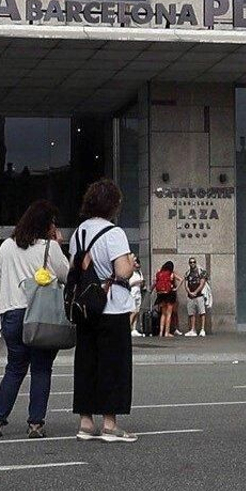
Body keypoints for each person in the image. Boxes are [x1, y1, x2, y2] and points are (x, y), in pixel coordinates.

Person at [0, 198, 69, 438]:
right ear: (46, 224)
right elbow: (66, 276)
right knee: (42, 369)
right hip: (40, 315)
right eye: (53, 223)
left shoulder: (6, 246)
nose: (55, 228)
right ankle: (35, 423)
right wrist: (59, 247)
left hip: (12, 314)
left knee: (14, 368)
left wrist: (1, 316)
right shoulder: (49, 247)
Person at [69, 178, 137, 443]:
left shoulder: (79, 232)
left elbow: (76, 266)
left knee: (86, 362)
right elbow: (121, 271)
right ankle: (110, 424)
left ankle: (86, 422)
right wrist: (130, 264)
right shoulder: (114, 233)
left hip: (86, 306)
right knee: (114, 364)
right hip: (112, 306)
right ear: (113, 205)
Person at [183, 257, 210, 336]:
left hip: (199, 296)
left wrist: (195, 292)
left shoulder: (201, 271)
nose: (192, 264)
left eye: (194, 262)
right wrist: (189, 292)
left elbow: (202, 283)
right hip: (190, 296)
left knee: (202, 312)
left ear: (196, 262)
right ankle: (193, 329)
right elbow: (186, 283)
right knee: (191, 313)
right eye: (190, 262)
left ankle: (202, 329)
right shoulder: (187, 272)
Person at [153, 259, 178, 337]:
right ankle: (167, 333)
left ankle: (161, 332)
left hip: (161, 295)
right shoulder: (171, 274)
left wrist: (151, 289)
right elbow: (181, 280)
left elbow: (155, 282)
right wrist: (175, 288)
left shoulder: (159, 272)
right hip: (169, 294)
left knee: (163, 314)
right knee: (169, 314)